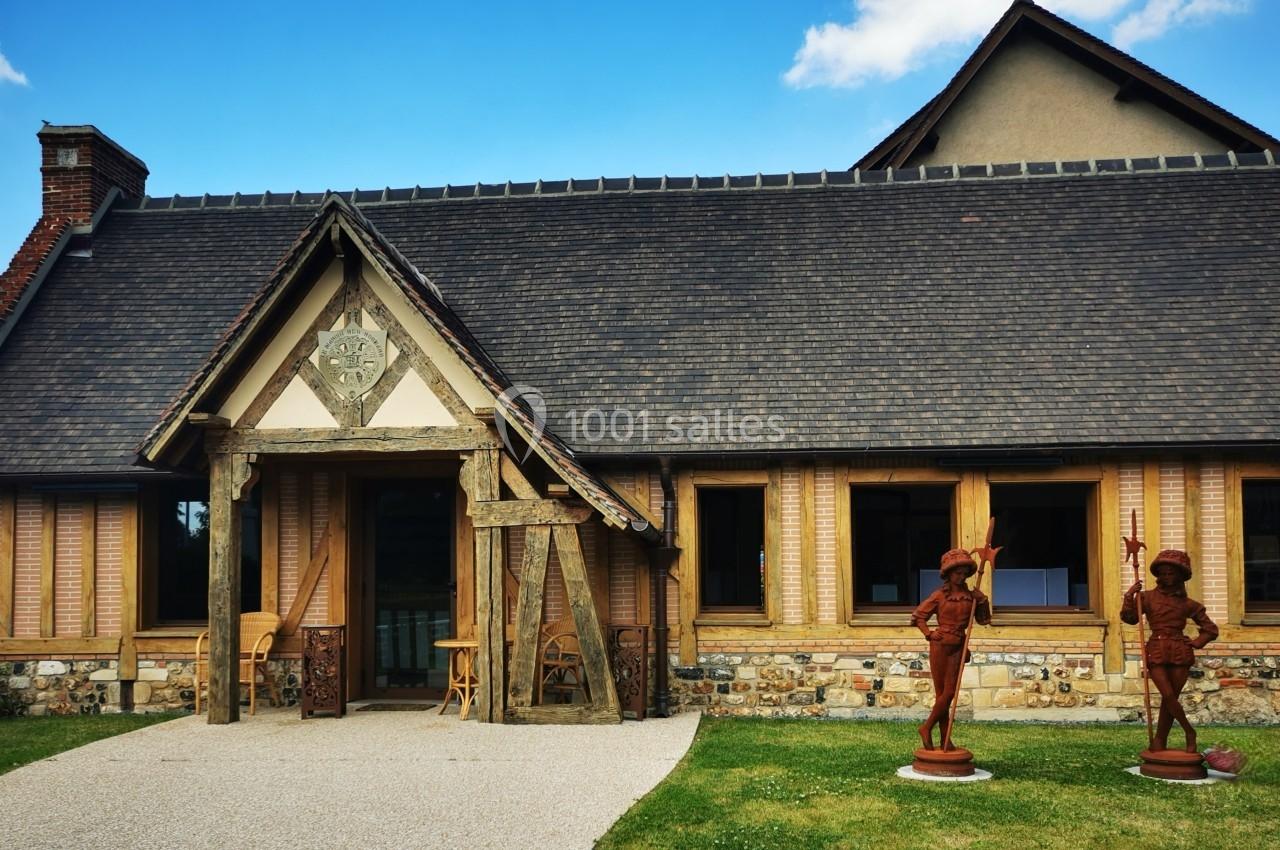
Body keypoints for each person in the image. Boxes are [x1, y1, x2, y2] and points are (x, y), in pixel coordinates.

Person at [1121, 549, 1218, 753]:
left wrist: (1196, 643)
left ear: (1181, 576)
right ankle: (1189, 731)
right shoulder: (1146, 598)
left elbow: (1210, 629)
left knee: (1170, 699)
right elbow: (1130, 619)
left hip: (1179, 651)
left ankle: (1160, 740)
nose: (1166, 577)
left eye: (1171, 573)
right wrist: (1129, 596)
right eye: (1163, 573)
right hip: (1156, 649)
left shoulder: (1189, 604)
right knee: (1167, 695)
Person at [911, 549, 991, 750]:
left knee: (949, 693)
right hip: (940, 646)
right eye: (957, 573)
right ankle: (944, 740)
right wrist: (929, 634)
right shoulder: (939, 596)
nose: (961, 577)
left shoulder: (972, 597)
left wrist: (982, 600)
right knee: (943, 695)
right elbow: (918, 617)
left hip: (958, 647)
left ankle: (927, 727)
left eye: (964, 573)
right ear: (948, 574)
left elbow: (984, 620)